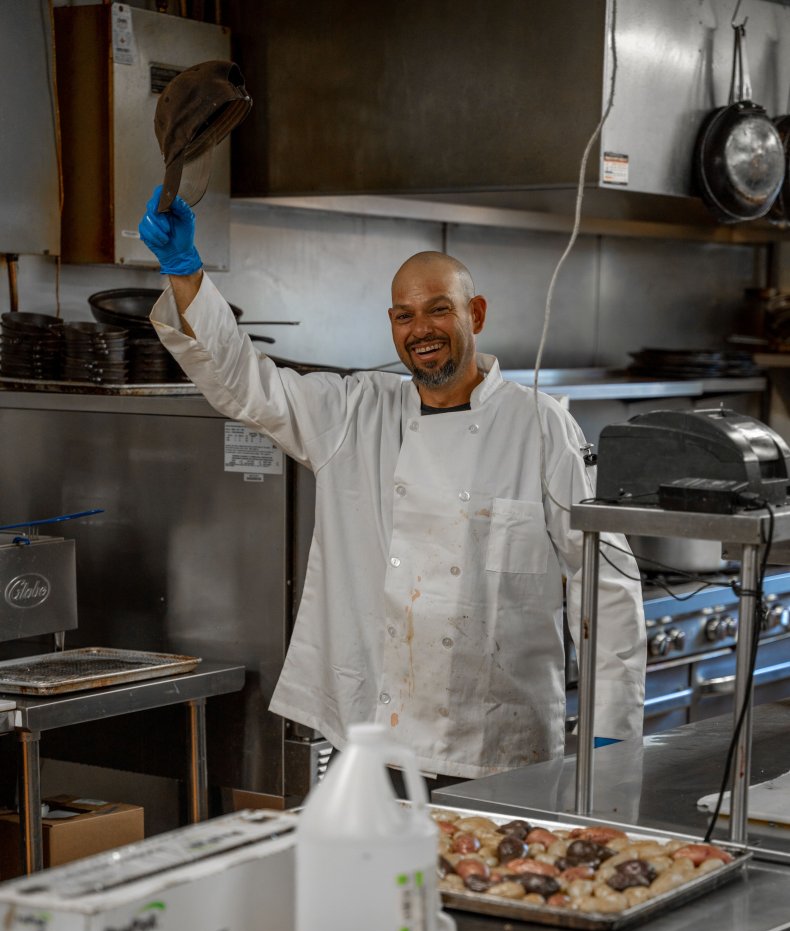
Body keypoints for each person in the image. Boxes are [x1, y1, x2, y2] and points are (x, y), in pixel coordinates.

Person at [139, 186, 646, 785]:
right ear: (391, 325)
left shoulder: (541, 425)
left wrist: (611, 726)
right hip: (373, 740)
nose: (420, 329)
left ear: (475, 314)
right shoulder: (356, 412)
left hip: (495, 748)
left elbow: (604, 578)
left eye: (438, 309)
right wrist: (187, 273)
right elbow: (247, 385)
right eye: (404, 315)